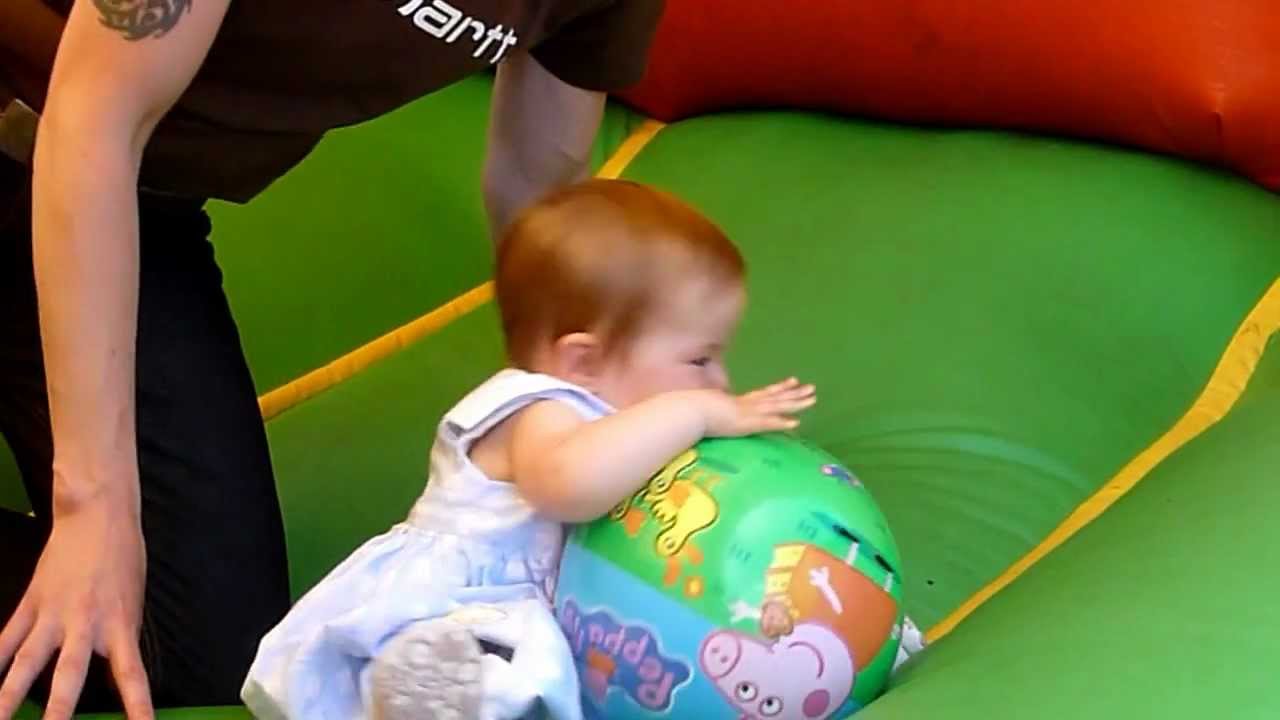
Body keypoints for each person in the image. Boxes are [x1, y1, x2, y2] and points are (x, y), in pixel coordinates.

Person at [0, 0, 666, 717]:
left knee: (185, 648)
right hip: (58, 136)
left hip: (132, 202)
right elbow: (92, 117)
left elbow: (538, 185)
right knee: (100, 563)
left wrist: (593, 427)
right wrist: (91, 508)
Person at [239, 178, 820, 720]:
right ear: (582, 361)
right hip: (461, 605)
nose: (718, 383)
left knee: (546, 669)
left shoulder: (625, 427)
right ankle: (432, 691)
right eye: (699, 360)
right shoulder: (538, 405)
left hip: (548, 613)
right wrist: (692, 413)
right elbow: (567, 485)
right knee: (515, 667)